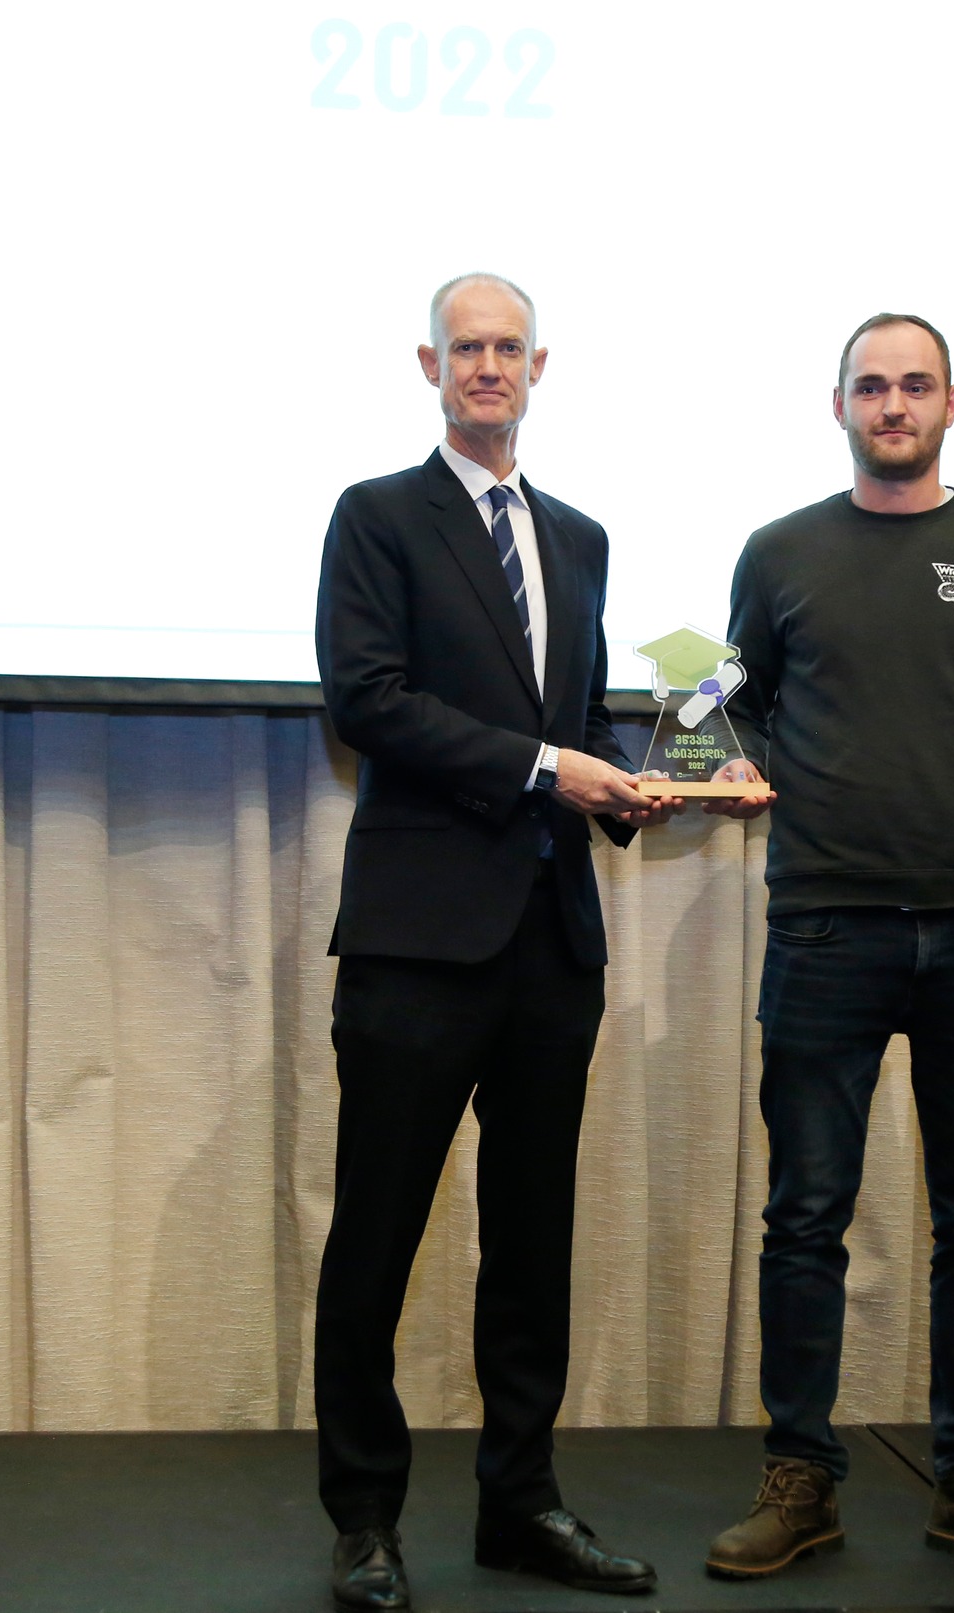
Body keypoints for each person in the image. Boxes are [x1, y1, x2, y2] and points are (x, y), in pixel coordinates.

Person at [699, 313, 954, 1580]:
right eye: (871, 386)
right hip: (824, 924)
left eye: (915, 385)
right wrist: (725, 768)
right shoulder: (779, 552)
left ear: (951, 403)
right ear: (839, 406)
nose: (893, 404)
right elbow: (726, 708)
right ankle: (800, 1477)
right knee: (804, 1216)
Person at [313, 273, 675, 1610]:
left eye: (506, 347)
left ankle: (521, 1504)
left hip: (550, 943)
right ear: (429, 365)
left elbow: (578, 719)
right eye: (464, 347)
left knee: (531, 1246)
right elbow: (367, 700)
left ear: (538, 366)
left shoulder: (577, 536)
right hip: (417, 941)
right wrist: (546, 766)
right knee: (377, 1241)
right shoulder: (376, 516)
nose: (486, 367)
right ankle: (364, 1519)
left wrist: (646, 787)